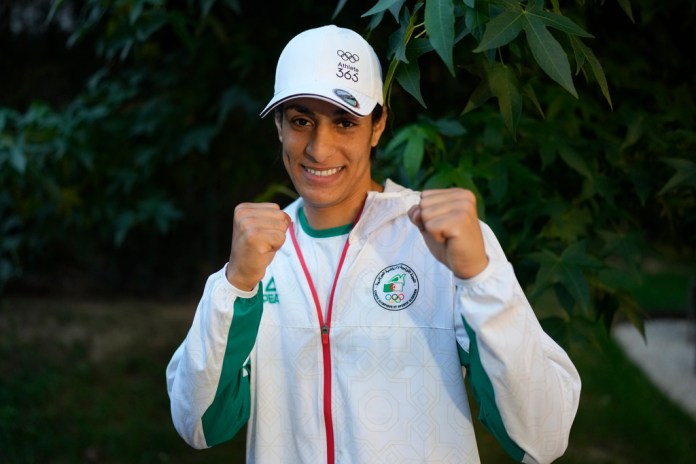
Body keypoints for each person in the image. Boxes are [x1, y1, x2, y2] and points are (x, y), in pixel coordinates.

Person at [166, 25, 581, 464]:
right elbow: (199, 423)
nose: (319, 149)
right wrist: (235, 285)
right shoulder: (257, 255)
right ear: (279, 126)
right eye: (301, 120)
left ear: (378, 125)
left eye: (345, 121)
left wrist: (481, 278)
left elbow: (542, 438)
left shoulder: (443, 242)